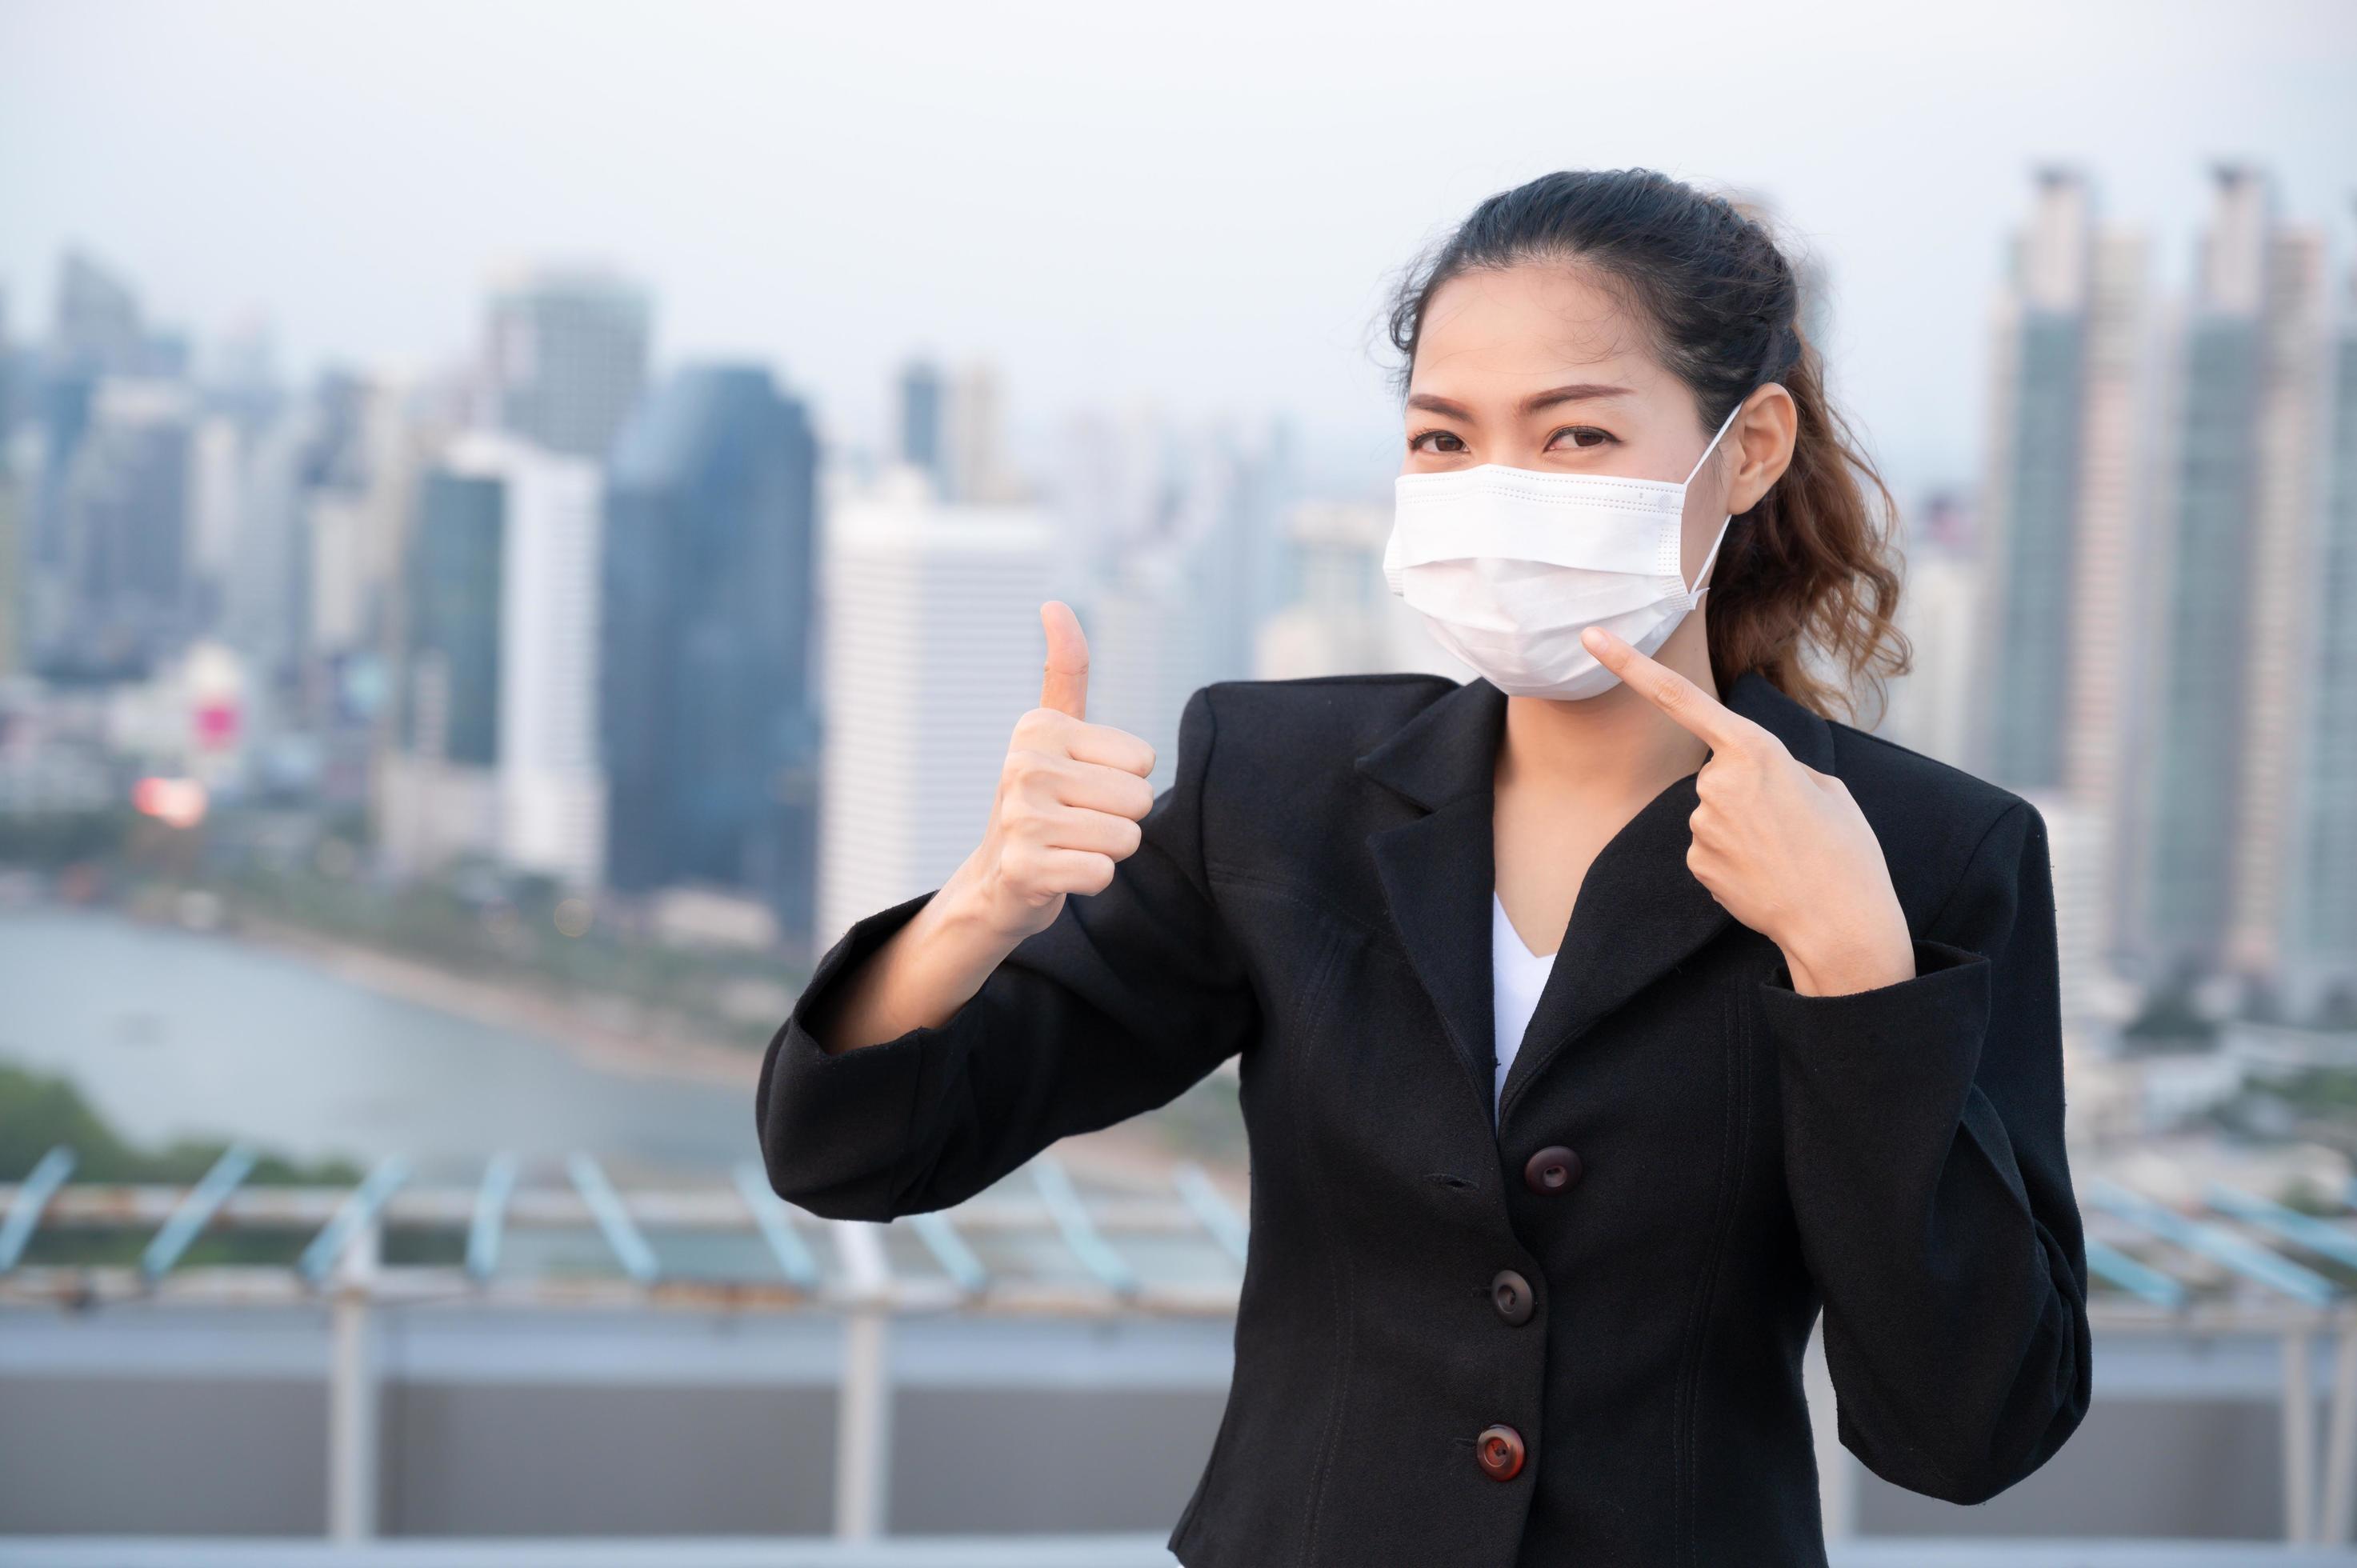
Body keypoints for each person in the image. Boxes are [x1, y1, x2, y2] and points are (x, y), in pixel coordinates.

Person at [756, 167, 2091, 1566]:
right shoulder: (1275, 790)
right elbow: (854, 1153)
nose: (1498, 491)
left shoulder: (1932, 856)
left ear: (1748, 450)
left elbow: (1970, 1430)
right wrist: (984, 902)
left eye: (1574, 435)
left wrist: (1857, 977)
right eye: (1444, 440)